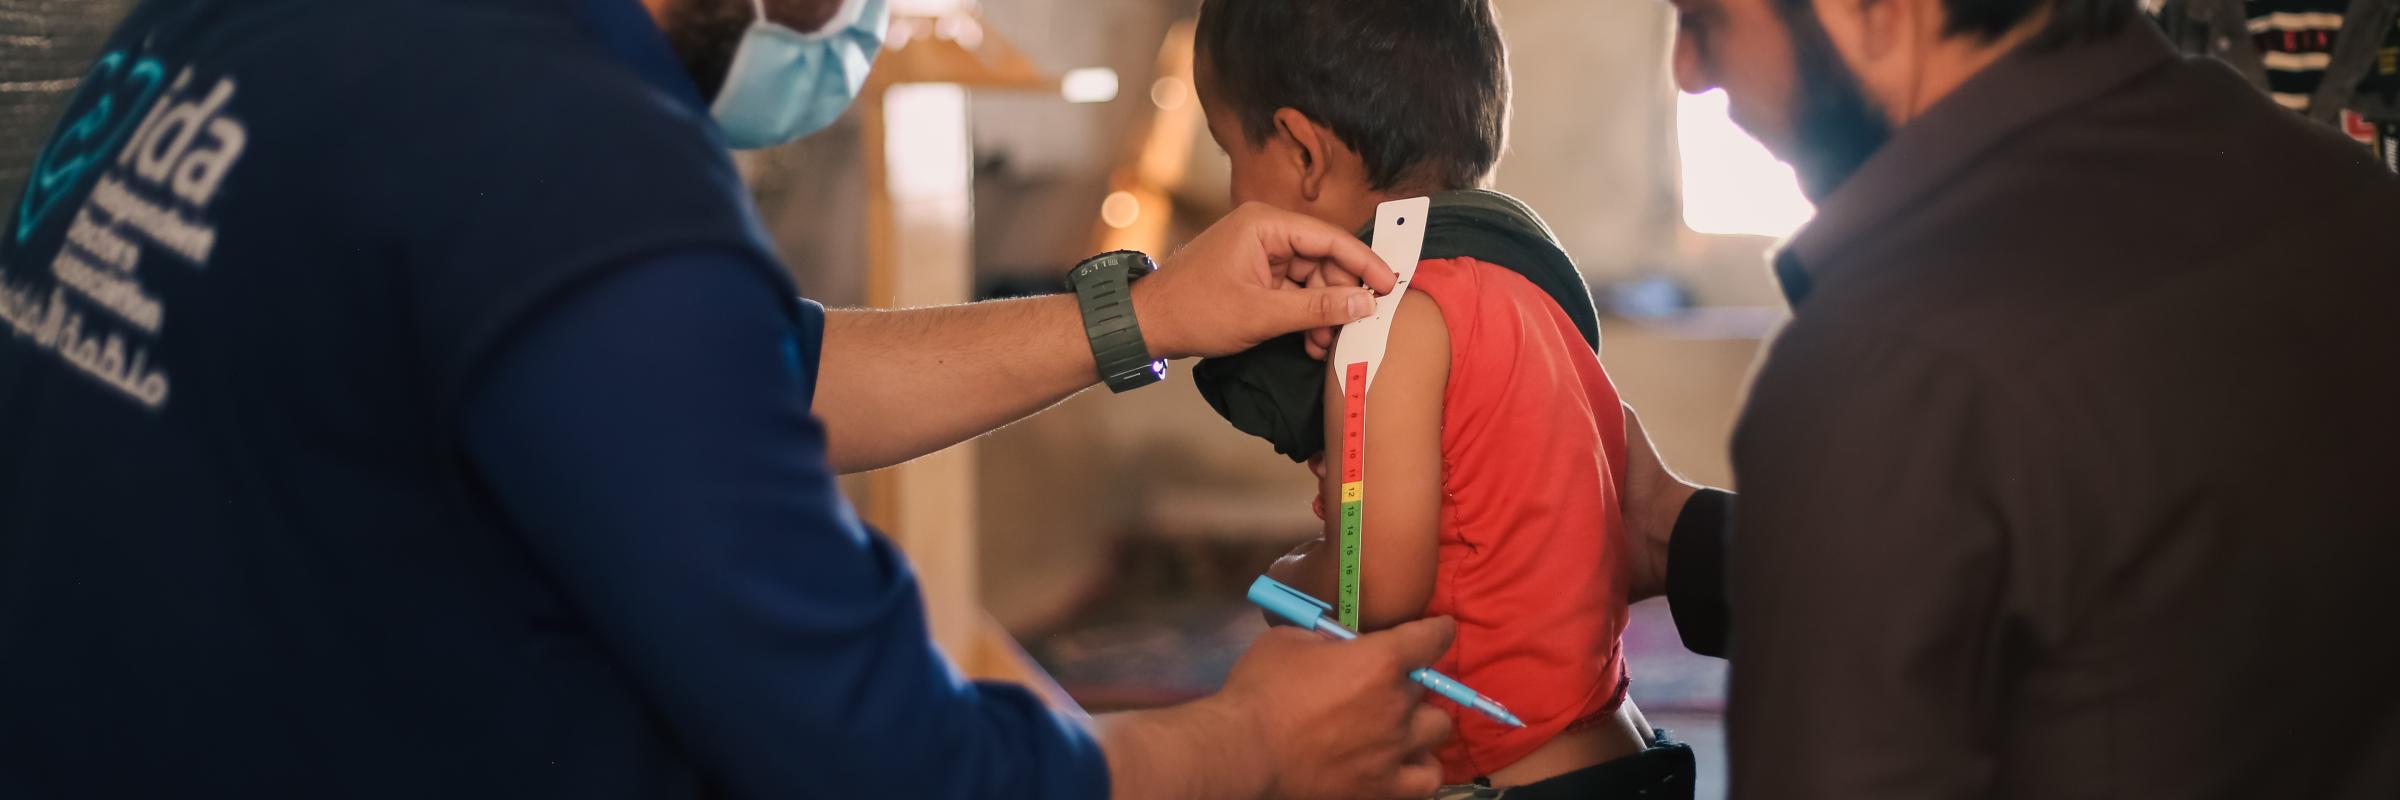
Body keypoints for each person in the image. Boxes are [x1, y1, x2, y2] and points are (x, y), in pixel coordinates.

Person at [0, 0, 1464, 798]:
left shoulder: (242, 27)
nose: (861, 21)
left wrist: (1140, 314)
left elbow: (721, 381)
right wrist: (1245, 746)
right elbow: (893, 765)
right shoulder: (575, 164)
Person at [1612, 0, 2400, 795]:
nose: (1689, 70)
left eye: (1706, 20)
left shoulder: (1892, 357)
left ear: (1875, 13)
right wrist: (1679, 536)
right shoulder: (2352, 206)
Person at [1185, 2, 1696, 798]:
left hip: (1504, 777)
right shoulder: (1533, 291)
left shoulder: (1387, 319)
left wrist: (1286, 581)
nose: (1230, 189)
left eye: (1229, 151)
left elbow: (1371, 590)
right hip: (1618, 746)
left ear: (1301, 153)